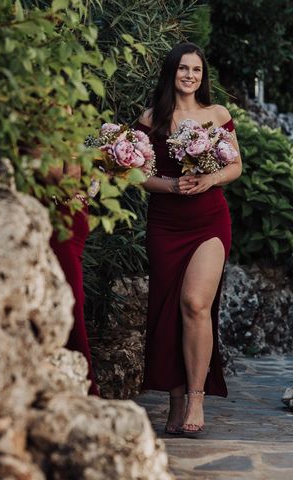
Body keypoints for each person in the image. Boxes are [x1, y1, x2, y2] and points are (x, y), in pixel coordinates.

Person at [136, 42, 242, 434]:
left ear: (203, 76)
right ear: (171, 73)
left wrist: (209, 178)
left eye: (196, 70)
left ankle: (196, 398)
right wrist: (170, 184)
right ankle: (175, 401)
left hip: (209, 221)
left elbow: (235, 166)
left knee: (195, 303)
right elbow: (137, 173)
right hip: (165, 223)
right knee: (167, 313)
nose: (190, 76)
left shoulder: (217, 115)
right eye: (183, 69)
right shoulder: (151, 118)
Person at [44, 160, 100, 397]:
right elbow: (56, 174)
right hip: (58, 219)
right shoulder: (49, 130)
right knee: (69, 303)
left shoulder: (67, 130)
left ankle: (74, 387)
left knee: (70, 301)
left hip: (70, 217)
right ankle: (80, 391)